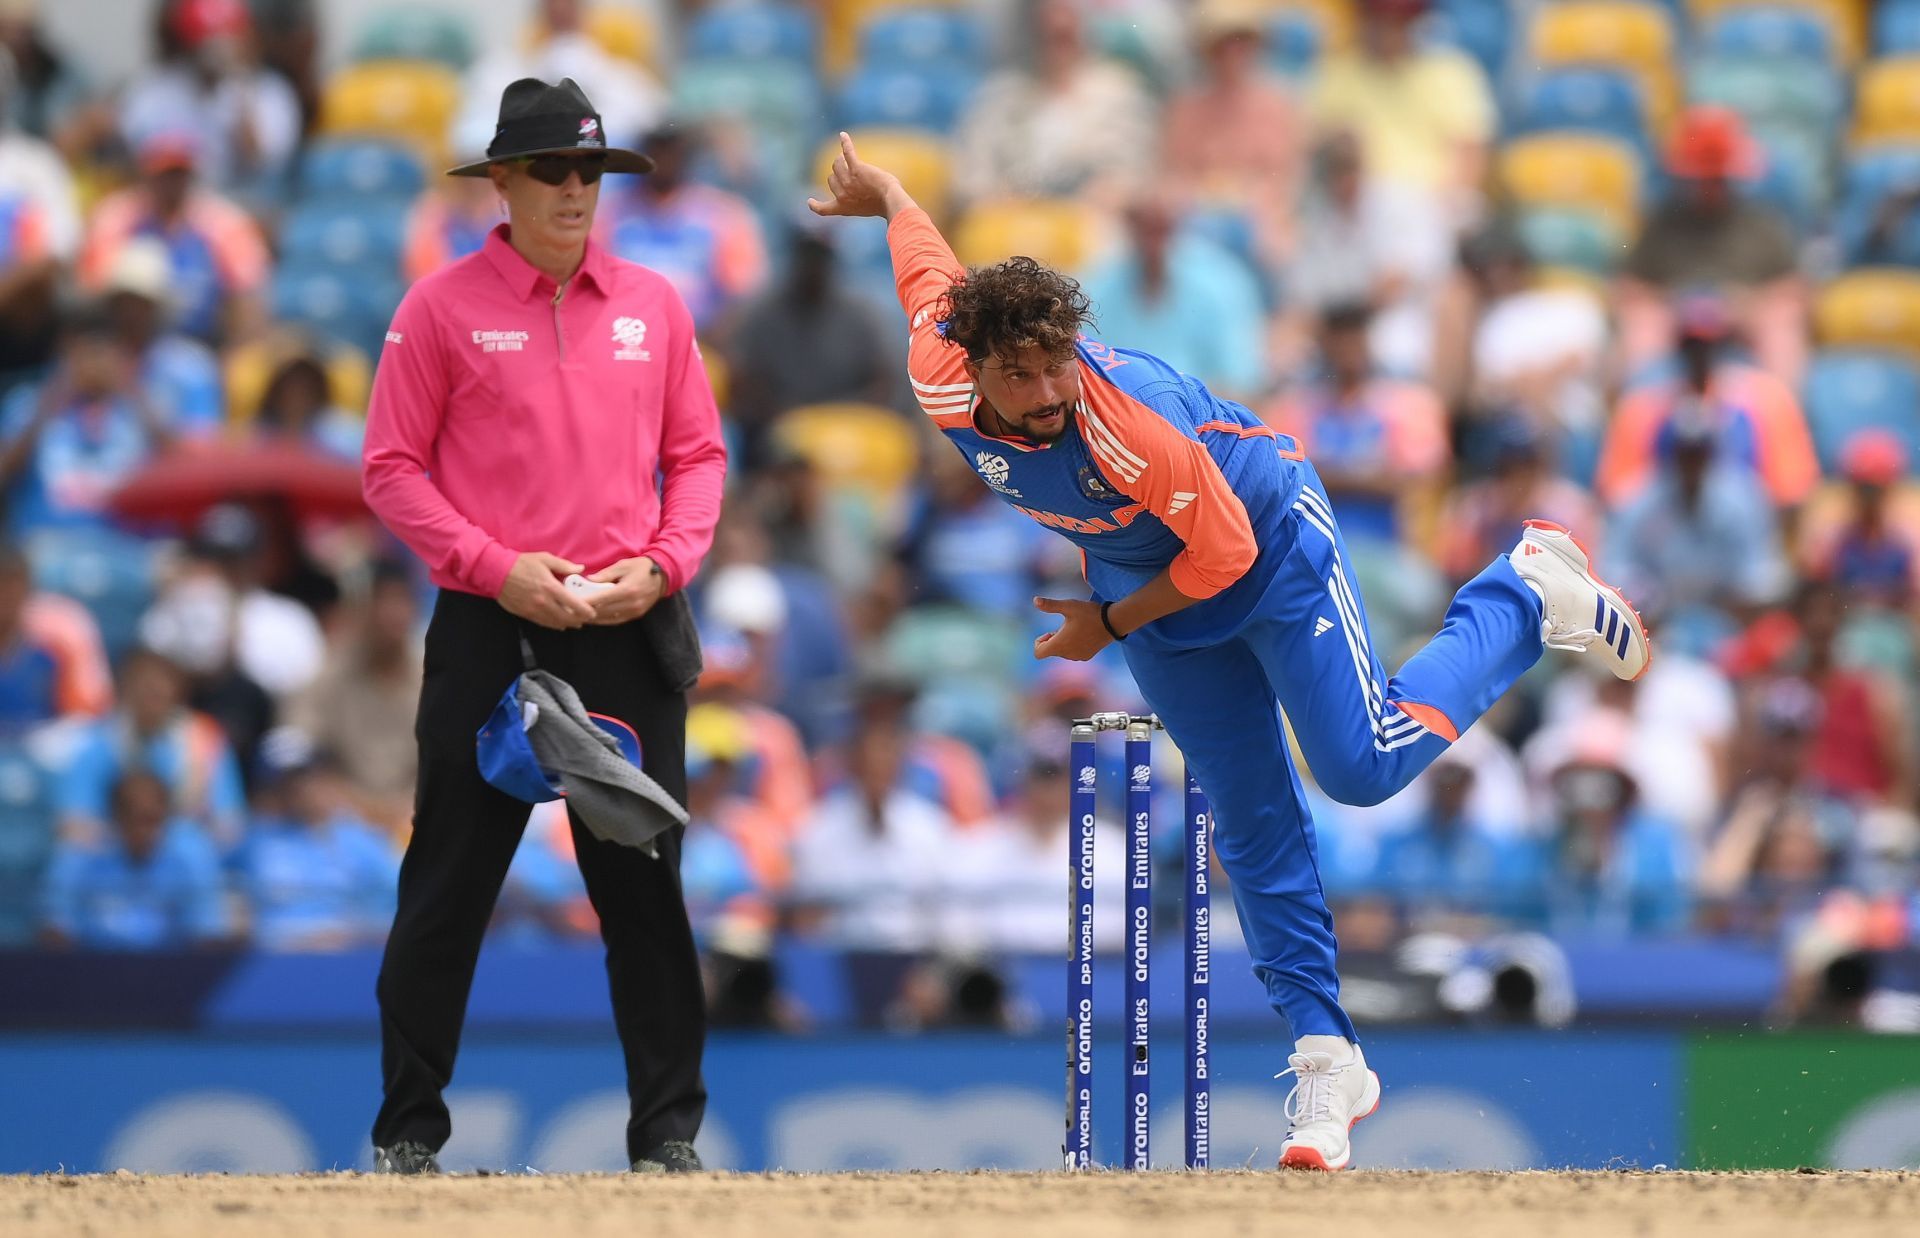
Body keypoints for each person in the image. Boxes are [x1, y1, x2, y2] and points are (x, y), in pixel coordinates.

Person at [809, 131, 1650, 1171]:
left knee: (1362, 762)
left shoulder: (1127, 425)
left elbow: (1226, 549)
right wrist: (889, 190)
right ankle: (1326, 1051)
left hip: (1264, 540)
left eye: (1055, 363)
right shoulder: (938, 365)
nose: (1044, 392)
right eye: (1019, 374)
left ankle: (1522, 590)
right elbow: (927, 264)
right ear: (972, 360)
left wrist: (1107, 625)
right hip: (1147, 584)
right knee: (1248, 821)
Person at [360, 78, 726, 1177]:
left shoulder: (655, 303)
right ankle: (407, 1132)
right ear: (505, 182)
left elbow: (700, 458)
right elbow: (388, 468)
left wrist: (659, 568)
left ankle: (668, 1134)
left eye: (592, 173)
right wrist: (495, 568)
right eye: (555, 173)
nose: (577, 191)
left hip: (624, 619)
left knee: (645, 886)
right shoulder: (440, 306)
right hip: (493, 624)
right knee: (450, 884)